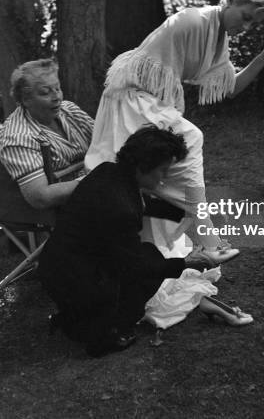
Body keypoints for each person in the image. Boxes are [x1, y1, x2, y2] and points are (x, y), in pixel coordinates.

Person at [84, 0, 264, 326]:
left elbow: (230, 86)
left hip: (150, 103)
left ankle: (171, 255)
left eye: (254, 23)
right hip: (132, 99)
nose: (246, 26)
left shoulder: (217, 38)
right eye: (245, 16)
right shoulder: (193, 20)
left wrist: (263, 57)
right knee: (189, 139)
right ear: (231, 1)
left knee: (160, 176)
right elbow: (152, 72)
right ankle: (206, 238)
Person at [38, 126, 218, 357]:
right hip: (77, 280)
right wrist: (185, 264)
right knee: (148, 269)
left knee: (148, 252)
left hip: (55, 266)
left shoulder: (107, 172)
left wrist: (181, 212)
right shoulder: (120, 208)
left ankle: (76, 317)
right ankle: (103, 334)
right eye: (163, 171)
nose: (164, 180)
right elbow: (136, 267)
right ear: (144, 166)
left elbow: (140, 202)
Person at [0, 59, 93, 209]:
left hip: (81, 198)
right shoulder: (19, 137)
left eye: (57, 89)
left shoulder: (70, 111)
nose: (56, 97)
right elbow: (40, 197)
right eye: (45, 92)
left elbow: (106, 142)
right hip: (43, 212)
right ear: (26, 99)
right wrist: (95, 181)